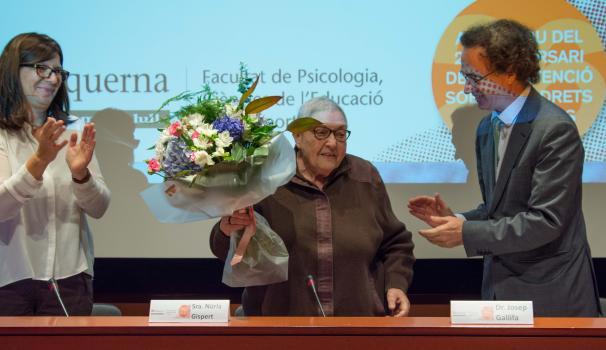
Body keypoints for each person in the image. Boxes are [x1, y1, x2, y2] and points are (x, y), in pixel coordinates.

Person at [408, 19, 600, 317]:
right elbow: (500, 209)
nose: (465, 87)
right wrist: (456, 219)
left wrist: (467, 233)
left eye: (473, 77)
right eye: (464, 76)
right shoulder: (488, 127)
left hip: (551, 294)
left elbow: (546, 220)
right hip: (501, 290)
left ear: (510, 72)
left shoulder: (554, 129)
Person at [210, 97, 415, 316]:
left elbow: (396, 243)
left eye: (339, 134)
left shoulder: (364, 176)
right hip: (279, 326)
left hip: (356, 324)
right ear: (297, 136)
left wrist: (396, 283)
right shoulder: (267, 177)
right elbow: (227, 250)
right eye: (321, 132)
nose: (332, 143)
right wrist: (227, 229)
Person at [0, 33, 110, 316]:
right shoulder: (3, 134)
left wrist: (81, 175)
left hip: (70, 280)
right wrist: (39, 161)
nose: (52, 78)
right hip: (8, 281)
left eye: (58, 71)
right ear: (14, 71)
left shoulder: (74, 130)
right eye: (41, 68)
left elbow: (99, 208)